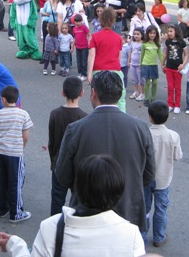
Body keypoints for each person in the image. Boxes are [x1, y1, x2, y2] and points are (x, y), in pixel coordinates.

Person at [56, 71, 155, 231]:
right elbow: (149, 174)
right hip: (127, 214)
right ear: (120, 93)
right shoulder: (141, 128)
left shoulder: (75, 129)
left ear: (94, 93)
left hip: (86, 215)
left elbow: (63, 175)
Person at [0, 155, 146, 256]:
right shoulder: (131, 235)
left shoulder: (52, 227)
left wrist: (15, 245)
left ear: (78, 188)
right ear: (119, 190)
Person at [0, 85, 33, 223]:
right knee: (15, 182)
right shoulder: (23, 114)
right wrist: (21, 147)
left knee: (1, 180)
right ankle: (16, 212)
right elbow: (25, 136)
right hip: (15, 153)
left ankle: (3, 207)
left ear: (3, 99)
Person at [144, 100, 183, 247]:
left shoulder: (145, 134)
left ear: (150, 117)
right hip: (164, 179)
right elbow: (177, 156)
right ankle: (159, 237)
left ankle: (142, 236)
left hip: (146, 178)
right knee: (161, 209)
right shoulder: (173, 136)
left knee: (145, 209)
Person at [48, 76, 87, 216]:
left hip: (59, 162)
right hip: (77, 165)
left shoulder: (55, 114)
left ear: (63, 92)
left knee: (57, 197)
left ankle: (54, 223)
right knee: (77, 198)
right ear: (82, 93)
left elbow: (52, 141)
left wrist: (53, 160)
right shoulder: (84, 117)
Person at [87, 8, 126, 112]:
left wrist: (89, 73)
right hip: (115, 69)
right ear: (113, 21)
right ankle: (121, 117)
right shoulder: (118, 37)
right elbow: (119, 56)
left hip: (99, 69)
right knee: (120, 98)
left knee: (98, 97)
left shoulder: (95, 37)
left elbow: (92, 55)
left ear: (101, 20)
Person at [162, 24, 188, 114]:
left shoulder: (182, 42)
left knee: (177, 87)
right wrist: (163, 64)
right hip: (169, 67)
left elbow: (186, 55)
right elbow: (165, 53)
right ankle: (170, 104)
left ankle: (177, 105)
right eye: (168, 31)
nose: (169, 33)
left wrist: (183, 65)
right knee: (170, 87)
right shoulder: (168, 42)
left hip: (178, 69)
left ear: (176, 31)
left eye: (171, 31)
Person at [141, 25, 163, 107]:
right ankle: (146, 98)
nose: (152, 35)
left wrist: (163, 64)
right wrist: (140, 64)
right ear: (147, 34)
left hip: (154, 65)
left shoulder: (158, 44)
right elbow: (142, 54)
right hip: (146, 64)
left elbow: (160, 55)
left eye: (154, 33)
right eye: (150, 33)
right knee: (147, 82)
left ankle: (153, 98)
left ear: (156, 34)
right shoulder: (144, 44)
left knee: (155, 82)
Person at [129, 28, 145, 101]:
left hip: (139, 64)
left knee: (141, 79)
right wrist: (129, 61)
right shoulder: (132, 43)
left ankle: (142, 93)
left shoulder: (143, 44)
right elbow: (130, 52)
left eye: (138, 34)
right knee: (134, 79)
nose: (136, 36)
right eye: (135, 34)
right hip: (133, 64)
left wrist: (142, 63)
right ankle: (136, 91)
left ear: (142, 35)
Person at [72, 14, 90, 81]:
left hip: (84, 47)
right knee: (78, 61)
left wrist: (89, 42)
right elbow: (74, 38)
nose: (78, 23)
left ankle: (84, 74)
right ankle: (80, 73)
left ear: (82, 21)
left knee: (84, 61)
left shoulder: (84, 27)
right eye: (76, 22)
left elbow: (89, 34)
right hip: (78, 47)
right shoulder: (74, 29)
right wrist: (72, 46)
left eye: (79, 21)